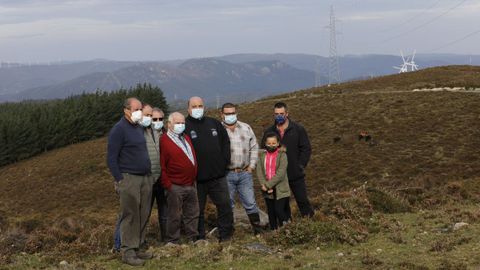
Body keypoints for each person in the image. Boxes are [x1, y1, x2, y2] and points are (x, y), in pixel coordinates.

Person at [107, 97, 154, 266]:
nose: (139, 112)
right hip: (129, 178)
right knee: (130, 215)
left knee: (143, 214)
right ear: (126, 110)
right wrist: (120, 180)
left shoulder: (138, 128)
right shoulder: (119, 130)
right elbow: (111, 158)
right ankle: (127, 252)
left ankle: (138, 248)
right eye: (136, 109)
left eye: (140, 109)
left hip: (145, 177)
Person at [185, 96, 234, 242]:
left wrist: (224, 164)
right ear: (188, 108)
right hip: (197, 180)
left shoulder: (214, 123)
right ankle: (199, 238)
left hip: (217, 177)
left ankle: (225, 236)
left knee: (225, 206)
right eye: (194, 106)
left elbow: (225, 143)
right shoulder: (185, 125)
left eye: (200, 106)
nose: (197, 109)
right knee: (197, 211)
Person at [261, 102, 315, 218]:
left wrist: (300, 165)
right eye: (276, 114)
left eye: (281, 113)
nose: (279, 116)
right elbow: (263, 152)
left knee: (302, 201)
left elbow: (306, 148)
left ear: (287, 113)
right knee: (282, 206)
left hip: (295, 174)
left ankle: (312, 224)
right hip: (277, 178)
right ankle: (287, 228)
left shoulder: (298, 129)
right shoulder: (269, 132)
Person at [220, 103, 262, 235]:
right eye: (227, 114)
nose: (230, 116)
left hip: (244, 173)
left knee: (250, 202)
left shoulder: (246, 127)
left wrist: (252, 166)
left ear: (236, 113)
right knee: (228, 205)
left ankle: (258, 231)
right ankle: (229, 232)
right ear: (222, 115)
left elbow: (254, 147)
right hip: (227, 174)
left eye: (232, 113)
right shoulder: (218, 129)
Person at [160, 112, 199, 245]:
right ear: (169, 124)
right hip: (175, 185)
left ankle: (192, 237)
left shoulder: (186, 137)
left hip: (190, 184)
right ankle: (172, 241)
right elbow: (162, 165)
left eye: (182, 123)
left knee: (192, 213)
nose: (181, 125)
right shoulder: (164, 140)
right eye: (177, 123)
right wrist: (168, 185)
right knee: (174, 215)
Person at [256, 132, 291, 230]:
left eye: (274, 143)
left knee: (279, 210)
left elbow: (281, 173)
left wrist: (268, 185)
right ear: (265, 144)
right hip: (267, 189)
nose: (271, 145)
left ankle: (289, 229)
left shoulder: (282, 155)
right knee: (271, 212)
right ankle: (274, 233)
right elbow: (259, 171)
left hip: (280, 188)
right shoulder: (262, 156)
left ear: (278, 143)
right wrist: (264, 185)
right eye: (269, 143)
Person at [150, 107, 168, 242]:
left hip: (164, 180)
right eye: (154, 119)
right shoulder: (144, 135)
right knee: (144, 212)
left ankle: (167, 239)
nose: (157, 121)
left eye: (160, 119)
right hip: (149, 180)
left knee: (165, 212)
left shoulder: (168, 135)